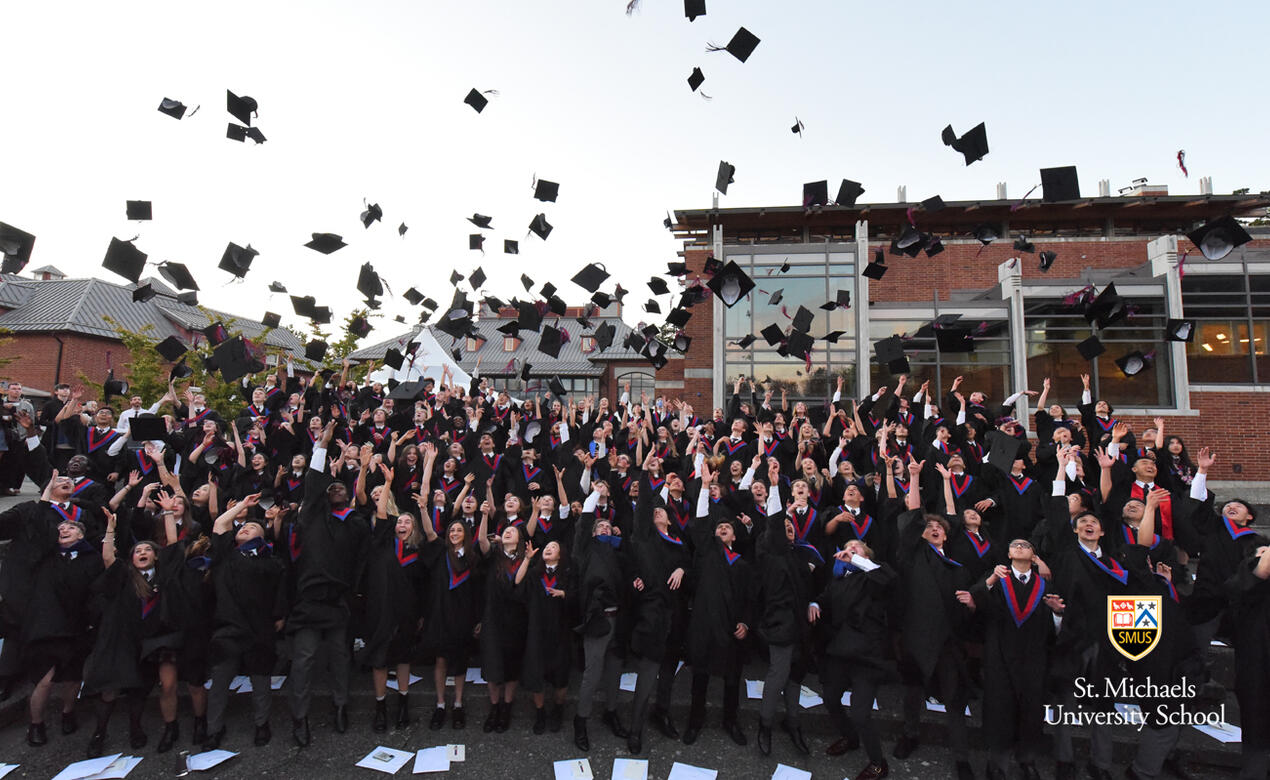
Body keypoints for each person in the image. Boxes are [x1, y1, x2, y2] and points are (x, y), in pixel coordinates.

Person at [284, 420, 371, 747]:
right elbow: (314, 479)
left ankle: (339, 706)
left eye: (340, 488)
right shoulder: (311, 518)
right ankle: (300, 716)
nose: (334, 488)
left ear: (348, 497)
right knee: (304, 661)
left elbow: (362, 561)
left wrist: (354, 592)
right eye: (330, 487)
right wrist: (323, 442)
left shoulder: (356, 524)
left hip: (338, 601)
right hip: (309, 601)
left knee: (339, 658)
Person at [202, 494, 284, 749]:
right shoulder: (226, 554)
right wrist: (241, 506)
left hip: (259, 628)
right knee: (220, 682)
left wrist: (278, 617)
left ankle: (262, 724)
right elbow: (219, 525)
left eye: (253, 527)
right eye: (244, 526)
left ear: (263, 537)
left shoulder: (271, 562)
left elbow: (280, 593)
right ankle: (213, 729)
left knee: (260, 681)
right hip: (227, 627)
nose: (246, 527)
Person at [812, 539, 898, 780]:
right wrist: (814, 603)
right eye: (847, 547)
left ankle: (878, 763)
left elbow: (888, 579)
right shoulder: (841, 580)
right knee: (829, 698)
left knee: (861, 712)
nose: (850, 550)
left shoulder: (874, 574)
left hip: (867, 655)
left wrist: (858, 560)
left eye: (856, 547)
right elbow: (826, 597)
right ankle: (850, 738)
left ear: (866, 554)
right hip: (842, 650)